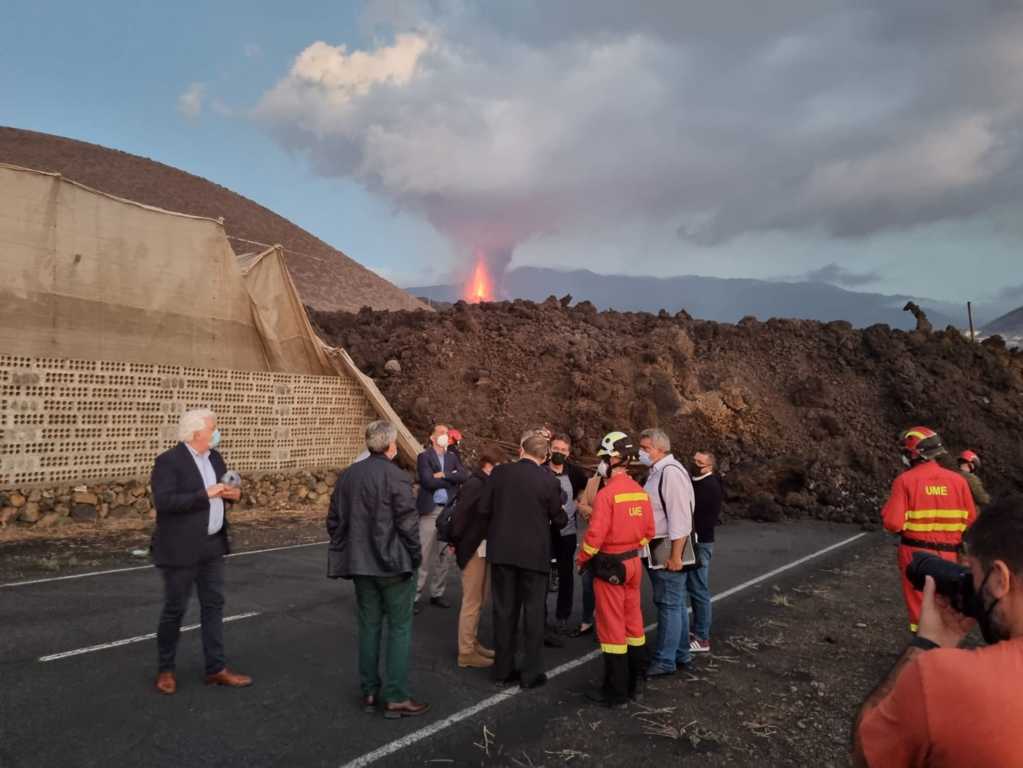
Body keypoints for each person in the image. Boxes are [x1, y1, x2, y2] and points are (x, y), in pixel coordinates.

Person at [852, 496, 1023, 767]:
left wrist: (930, 642)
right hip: (947, 547)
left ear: (1000, 579)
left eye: (976, 575)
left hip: (915, 551)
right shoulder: (961, 485)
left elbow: (868, 754)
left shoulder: (943, 678)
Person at [327, 420, 428, 719]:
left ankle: (369, 689)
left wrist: (349, 547)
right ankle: (396, 696)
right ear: (390, 445)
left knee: (369, 627)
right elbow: (408, 525)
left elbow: (334, 521)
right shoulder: (396, 477)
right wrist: (415, 556)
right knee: (399, 628)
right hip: (393, 565)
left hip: (360, 565)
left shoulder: (348, 476)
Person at [149, 408, 251, 695]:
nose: (216, 432)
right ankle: (166, 670)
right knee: (175, 609)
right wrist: (204, 494)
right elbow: (165, 502)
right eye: (213, 428)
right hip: (180, 549)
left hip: (212, 546)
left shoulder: (215, 458)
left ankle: (216, 668)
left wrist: (233, 494)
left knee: (214, 606)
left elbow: (226, 488)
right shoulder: (169, 462)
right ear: (197, 433)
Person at [480, 431, 566, 689]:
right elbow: (559, 519)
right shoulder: (549, 481)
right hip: (534, 555)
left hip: (503, 552)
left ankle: (502, 669)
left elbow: (484, 508)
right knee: (533, 613)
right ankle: (531, 673)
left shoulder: (500, 474)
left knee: (504, 611)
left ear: (521, 450)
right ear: (544, 456)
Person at [578, 431, 655, 707]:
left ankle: (616, 692)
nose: (600, 464)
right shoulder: (641, 493)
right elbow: (649, 532)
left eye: (603, 458)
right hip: (634, 564)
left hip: (610, 566)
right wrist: (631, 547)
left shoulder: (607, 495)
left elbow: (594, 537)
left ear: (613, 459)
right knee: (633, 624)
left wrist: (583, 559)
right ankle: (638, 682)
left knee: (612, 630)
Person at [882, 427, 978, 632]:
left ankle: (923, 649)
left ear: (913, 454)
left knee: (920, 605)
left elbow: (893, 523)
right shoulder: (958, 481)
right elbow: (971, 520)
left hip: (914, 554)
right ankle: (943, 647)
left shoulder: (905, 481)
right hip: (949, 555)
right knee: (944, 602)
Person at [638, 428, 696, 677]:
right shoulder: (657, 472)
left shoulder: (670, 474)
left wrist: (675, 556)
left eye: (646, 448)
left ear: (661, 449)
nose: (641, 452)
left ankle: (665, 660)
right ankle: (681, 652)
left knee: (669, 604)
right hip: (656, 548)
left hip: (666, 550)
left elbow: (680, 518)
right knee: (675, 603)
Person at [451, 447, 504, 669]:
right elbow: (460, 517)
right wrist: (458, 542)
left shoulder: (483, 484)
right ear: (490, 465)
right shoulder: (476, 485)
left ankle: (472, 643)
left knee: (479, 599)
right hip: (473, 549)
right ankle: (466, 651)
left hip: (480, 548)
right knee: (472, 601)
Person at [414, 424, 468, 613]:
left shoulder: (453, 457)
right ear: (432, 437)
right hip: (430, 511)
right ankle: (414, 595)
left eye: (447, 433)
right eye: (441, 433)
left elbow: (463, 476)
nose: (445, 436)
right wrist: (451, 477)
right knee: (423, 552)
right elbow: (427, 480)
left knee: (444, 555)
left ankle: (437, 593)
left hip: (449, 512)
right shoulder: (424, 456)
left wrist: (444, 474)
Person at [546, 434, 588, 633]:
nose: (559, 452)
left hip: (567, 531)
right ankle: (541, 616)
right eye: (556, 448)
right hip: (543, 532)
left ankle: (562, 616)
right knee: (541, 575)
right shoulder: (541, 471)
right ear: (549, 448)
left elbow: (584, 489)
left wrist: (580, 500)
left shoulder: (575, 472)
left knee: (566, 575)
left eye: (563, 450)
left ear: (568, 453)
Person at [687, 451, 722, 653]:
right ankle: (697, 631)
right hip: (698, 541)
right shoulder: (699, 482)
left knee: (699, 589)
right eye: (694, 460)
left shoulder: (709, 486)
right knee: (695, 588)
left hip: (701, 543)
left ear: (709, 467)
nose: (695, 464)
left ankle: (702, 638)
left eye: (699, 462)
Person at [570, 472, 605, 638]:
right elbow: (582, 507)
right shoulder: (593, 482)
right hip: (591, 540)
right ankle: (587, 621)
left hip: (611, 545)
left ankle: (604, 624)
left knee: (607, 588)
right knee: (587, 583)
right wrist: (600, 514)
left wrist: (593, 512)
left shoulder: (624, 484)